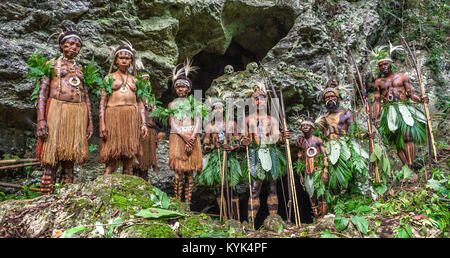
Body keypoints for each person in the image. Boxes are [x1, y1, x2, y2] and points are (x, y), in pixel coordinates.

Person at [36, 30, 93, 195]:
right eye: (71, 43)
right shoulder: (52, 65)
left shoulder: (80, 69)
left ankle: (64, 198)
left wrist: (90, 122)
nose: (75, 47)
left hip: (76, 114)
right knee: (51, 159)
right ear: (62, 45)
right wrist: (41, 120)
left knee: (70, 160)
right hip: (56, 111)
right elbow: (42, 92)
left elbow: (86, 97)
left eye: (78, 45)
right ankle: (45, 198)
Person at [372, 46, 428, 182]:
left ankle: (412, 168)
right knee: (397, 142)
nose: (383, 67)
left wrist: (420, 99)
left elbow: (411, 94)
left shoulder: (402, 77)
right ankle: (407, 170)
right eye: (380, 65)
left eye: (385, 64)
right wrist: (375, 117)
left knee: (408, 137)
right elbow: (377, 101)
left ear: (391, 64)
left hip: (403, 109)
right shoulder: (378, 82)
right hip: (389, 112)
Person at [241, 83, 290, 223]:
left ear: (266, 101)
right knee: (255, 188)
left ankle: (273, 220)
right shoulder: (247, 119)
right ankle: (251, 222)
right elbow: (242, 138)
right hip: (255, 154)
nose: (259, 102)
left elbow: (276, 137)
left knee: (273, 187)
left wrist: (282, 136)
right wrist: (243, 141)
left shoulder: (271, 119)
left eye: (262, 99)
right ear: (252, 101)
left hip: (270, 152)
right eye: (256, 99)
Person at [99, 42, 148, 175]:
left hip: (131, 118)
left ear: (131, 61)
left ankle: (128, 192)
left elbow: (140, 103)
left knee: (128, 158)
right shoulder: (109, 78)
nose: (124, 60)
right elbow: (102, 102)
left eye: (127, 58)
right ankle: (104, 189)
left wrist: (143, 123)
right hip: (113, 116)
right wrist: (102, 124)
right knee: (111, 158)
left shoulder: (136, 80)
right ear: (116, 60)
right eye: (121, 58)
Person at [197, 98, 242, 220]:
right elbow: (205, 146)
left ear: (223, 109)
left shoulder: (231, 124)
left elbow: (238, 142)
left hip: (229, 159)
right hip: (216, 159)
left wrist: (231, 146)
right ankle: (225, 218)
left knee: (232, 189)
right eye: (215, 108)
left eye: (220, 108)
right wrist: (213, 146)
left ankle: (235, 219)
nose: (218, 110)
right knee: (219, 189)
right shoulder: (209, 127)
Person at [168, 59, 203, 210]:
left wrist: (192, 136)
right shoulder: (172, 104)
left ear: (188, 89)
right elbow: (172, 122)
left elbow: (198, 121)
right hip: (178, 137)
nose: (180, 89)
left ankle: (187, 204)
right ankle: (177, 202)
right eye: (178, 87)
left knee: (190, 172)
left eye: (183, 87)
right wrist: (184, 136)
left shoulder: (194, 103)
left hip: (192, 136)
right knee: (179, 170)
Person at [295, 115, 328, 220]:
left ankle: (323, 217)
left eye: (307, 125)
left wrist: (325, 171)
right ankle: (317, 218)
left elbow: (325, 156)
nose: (305, 127)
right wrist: (300, 175)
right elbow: (300, 158)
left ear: (313, 128)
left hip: (318, 170)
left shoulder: (317, 140)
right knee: (311, 195)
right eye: (303, 125)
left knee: (321, 194)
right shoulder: (301, 143)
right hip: (307, 172)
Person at [133, 66, 158, 181]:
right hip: (138, 130)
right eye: (144, 80)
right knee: (136, 162)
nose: (147, 83)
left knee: (146, 162)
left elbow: (155, 120)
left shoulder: (152, 99)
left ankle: (144, 186)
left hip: (150, 132)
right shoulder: (134, 97)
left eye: (148, 80)